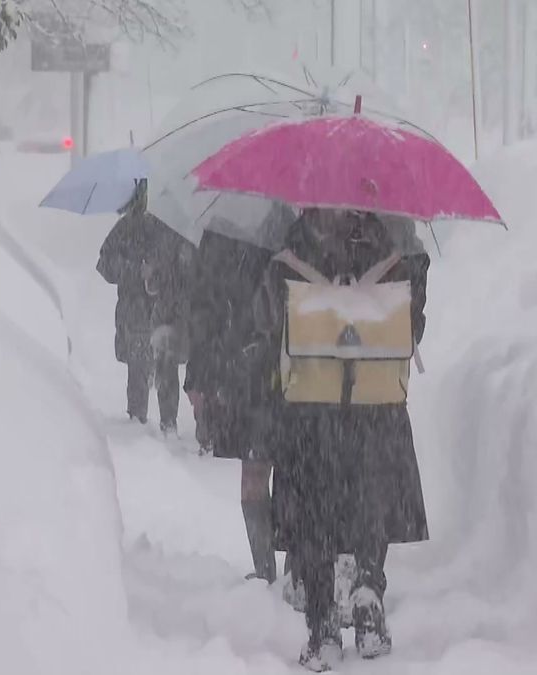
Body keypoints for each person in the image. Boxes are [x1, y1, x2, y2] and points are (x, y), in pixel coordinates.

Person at [250, 208, 430, 671]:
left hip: (311, 410)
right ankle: (369, 595)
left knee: (312, 509)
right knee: (369, 499)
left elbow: (269, 324)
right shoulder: (388, 244)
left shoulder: (291, 248)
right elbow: (413, 327)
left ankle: (323, 623)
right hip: (374, 408)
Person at [183, 223, 278, 580]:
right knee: (275, 473)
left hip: (260, 370)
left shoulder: (231, 222)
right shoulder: (299, 221)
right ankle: (277, 570)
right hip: (268, 370)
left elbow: (203, 306)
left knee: (267, 474)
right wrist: (200, 375)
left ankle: (280, 570)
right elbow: (204, 307)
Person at [97, 180, 194, 433]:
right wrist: (136, 272)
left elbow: (189, 268)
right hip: (135, 312)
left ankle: (168, 425)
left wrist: (162, 275)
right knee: (138, 368)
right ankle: (136, 423)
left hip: (165, 311)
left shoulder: (175, 229)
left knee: (166, 366)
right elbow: (105, 264)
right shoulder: (127, 227)